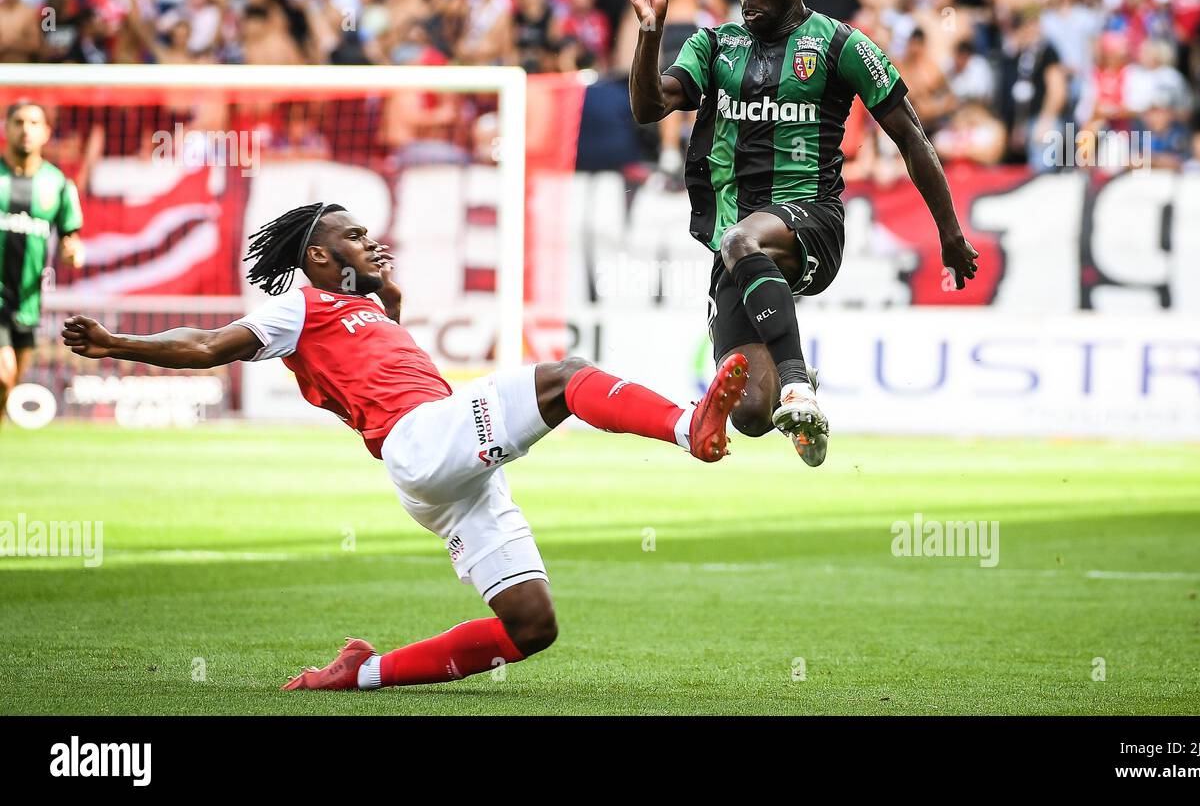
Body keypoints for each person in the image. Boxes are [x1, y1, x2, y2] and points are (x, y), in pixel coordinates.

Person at [62, 202, 749, 691]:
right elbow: (210, 345)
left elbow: (378, 342)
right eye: (356, 236)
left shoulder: (361, 306)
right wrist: (118, 343)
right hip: (422, 440)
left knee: (532, 626)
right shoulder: (300, 306)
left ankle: (363, 670)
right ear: (321, 257)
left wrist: (386, 296)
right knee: (564, 377)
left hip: (442, 473)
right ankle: (687, 426)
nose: (372, 240)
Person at [624, 0, 979, 468]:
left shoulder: (841, 45)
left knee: (744, 240)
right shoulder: (715, 45)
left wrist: (950, 234)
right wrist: (650, 31)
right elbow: (650, 107)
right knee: (748, 412)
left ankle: (796, 385)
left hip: (810, 220)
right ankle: (793, 385)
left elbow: (912, 138)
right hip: (735, 244)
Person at [0, 101, 84, 425]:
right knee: (3, 375)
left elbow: (70, 236)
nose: (26, 130)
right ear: (6, 128)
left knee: (9, 385)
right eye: (19, 122)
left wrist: (73, 251)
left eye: (34, 123)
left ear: (46, 133)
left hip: (28, 301)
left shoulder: (58, 184)